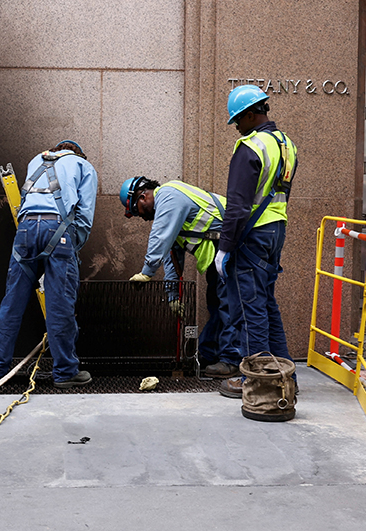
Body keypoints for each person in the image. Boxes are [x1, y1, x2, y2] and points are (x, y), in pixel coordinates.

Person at [0, 140, 97, 388]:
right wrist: (72, 247)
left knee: (12, 302)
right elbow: (85, 215)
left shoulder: (36, 161)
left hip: (25, 230)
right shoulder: (83, 166)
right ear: (77, 153)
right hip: (59, 229)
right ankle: (66, 372)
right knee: (60, 304)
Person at [214, 86, 298, 399]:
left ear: (251, 114)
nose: (236, 125)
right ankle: (285, 374)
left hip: (251, 234)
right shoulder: (287, 144)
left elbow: (237, 206)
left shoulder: (251, 146)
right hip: (276, 230)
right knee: (266, 304)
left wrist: (224, 248)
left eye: (238, 119)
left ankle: (259, 379)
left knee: (250, 308)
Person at [120, 176, 231, 375]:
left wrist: (147, 273)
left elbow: (159, 236)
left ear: (143, 196)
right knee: (216, 302)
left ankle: (230, 359)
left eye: (137, 211)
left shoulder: (169, 195)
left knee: (228, 304)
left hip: (232, 246)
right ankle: (209, 356)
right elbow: (171, 257)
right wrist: (173, 296)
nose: (142, 217)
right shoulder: (170, 209)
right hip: (219, 251)